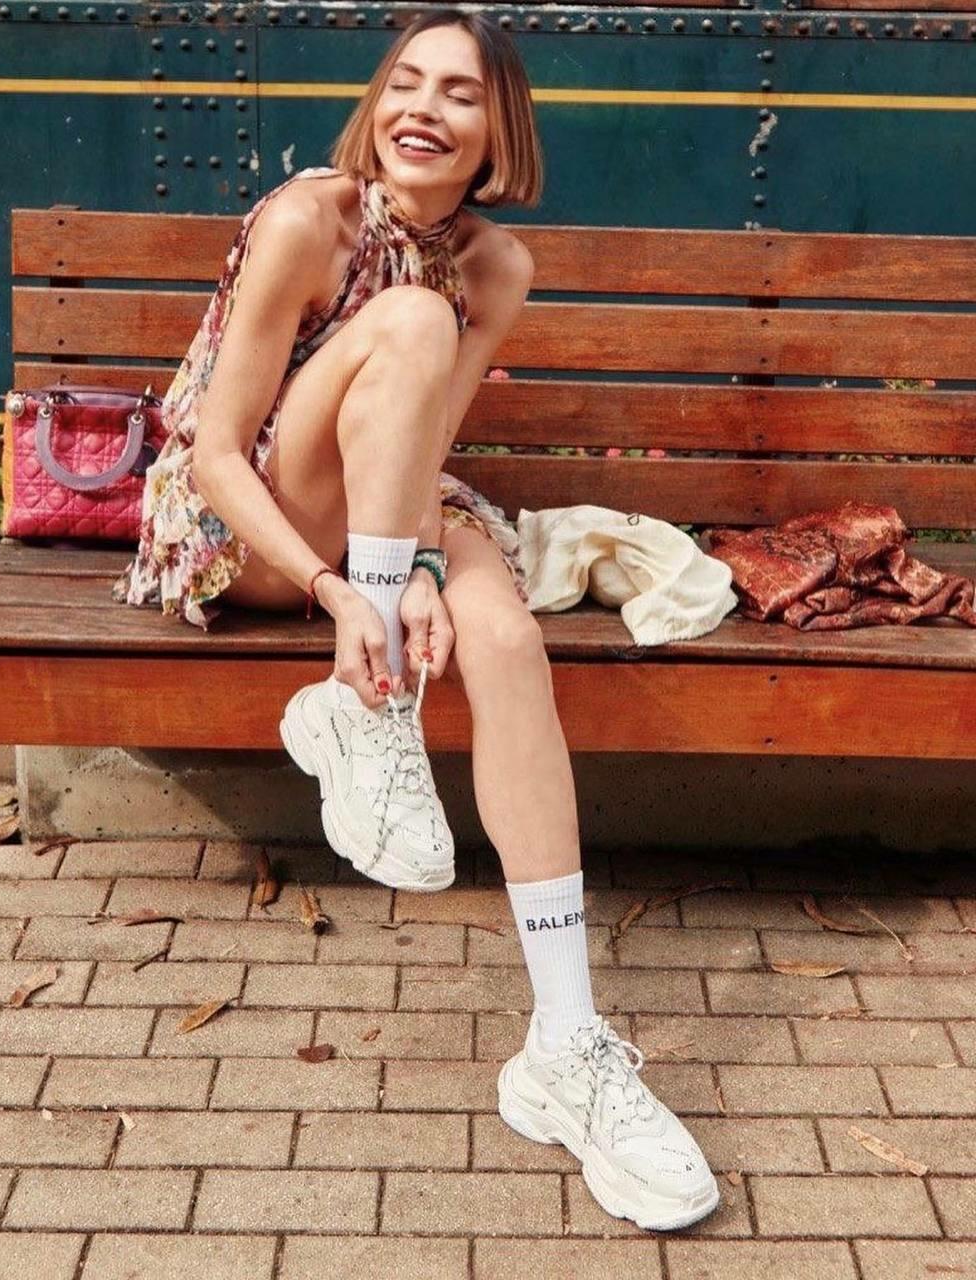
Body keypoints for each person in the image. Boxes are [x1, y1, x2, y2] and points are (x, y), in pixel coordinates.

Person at [111, 6, 720, 1232]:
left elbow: (422, 448)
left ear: (500, 131)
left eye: (458, 93)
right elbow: (218, 451)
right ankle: (370, 705)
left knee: (505, 639)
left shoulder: (497, 267)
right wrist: (343, 590)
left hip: (388, 522)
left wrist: (427, 572)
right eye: (405, 81)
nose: (421, 110)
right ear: (375, 100)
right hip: (249, 526)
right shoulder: (308, 219)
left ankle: (565, 1043)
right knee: (411, 317)